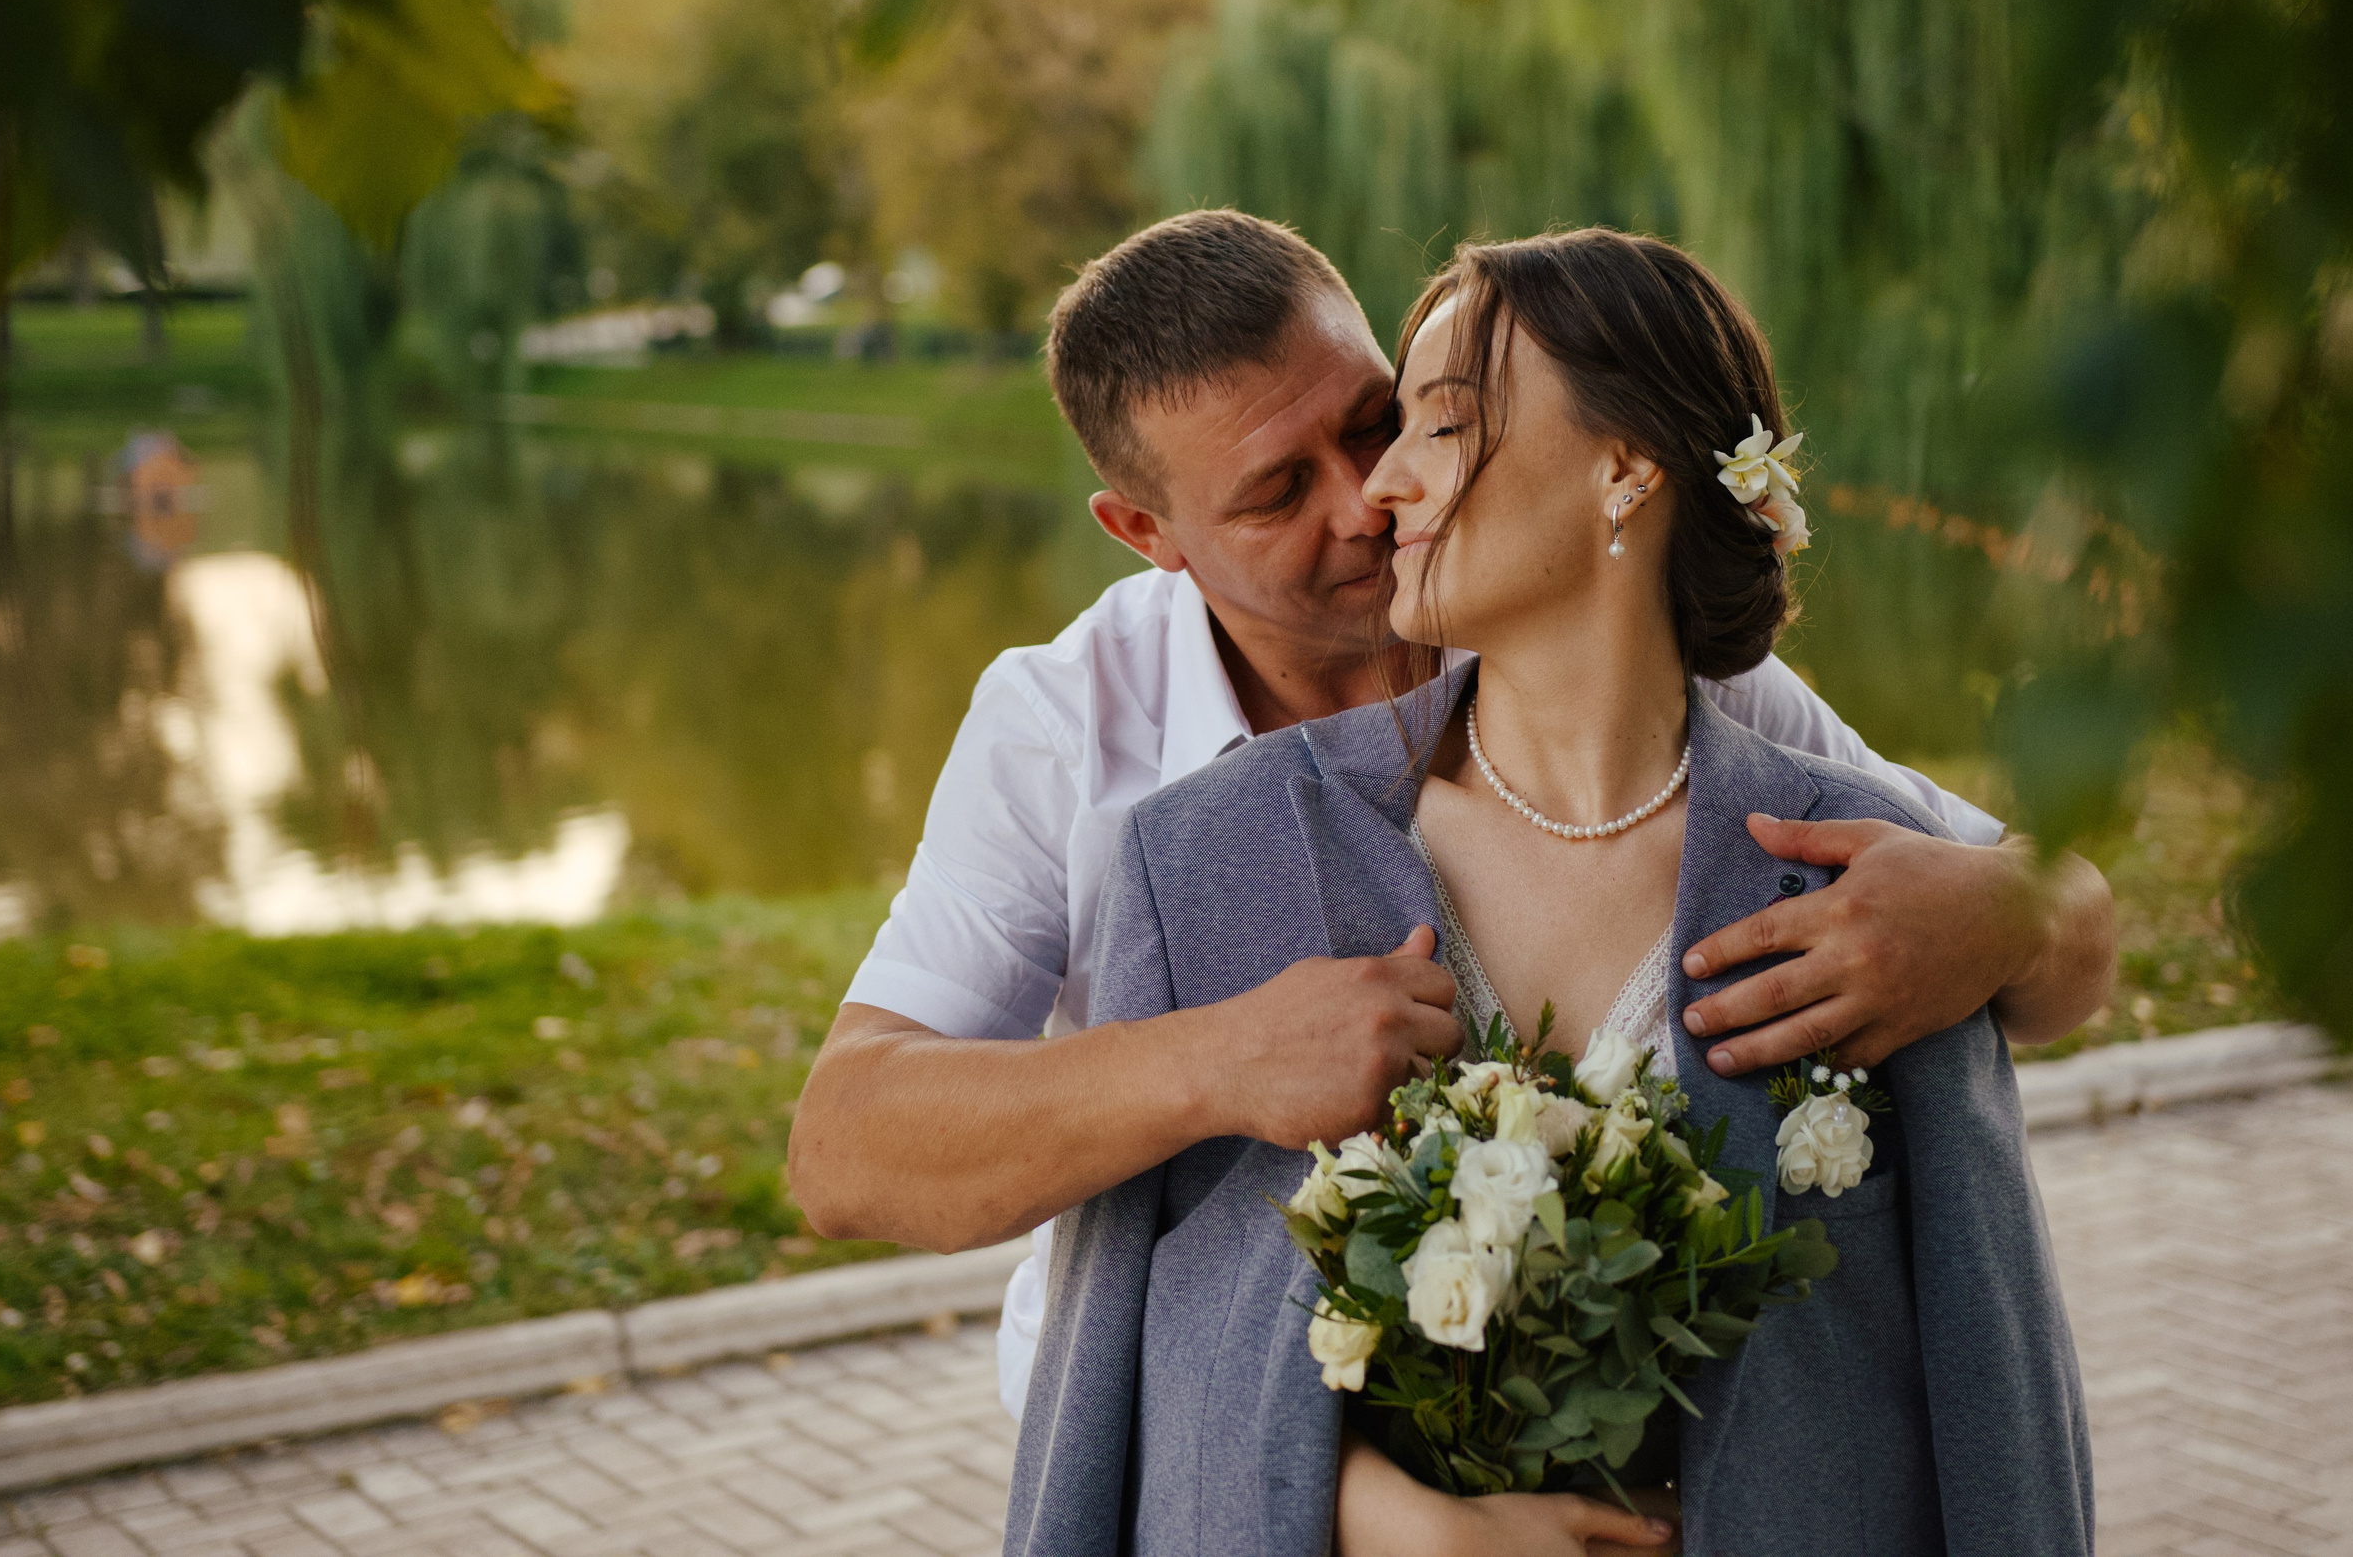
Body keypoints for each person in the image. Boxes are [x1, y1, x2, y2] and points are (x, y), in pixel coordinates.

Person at [784, 209, 2116, 1425]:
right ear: (1146, 531)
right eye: (1276, 492)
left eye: (1379, 422)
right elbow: (846, 1149)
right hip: (1187, 1440)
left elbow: (2062, 932)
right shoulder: (1064, 727)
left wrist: (2003, 915)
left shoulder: (1617, 649)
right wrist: (1215, 1063)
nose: (1366, 498)